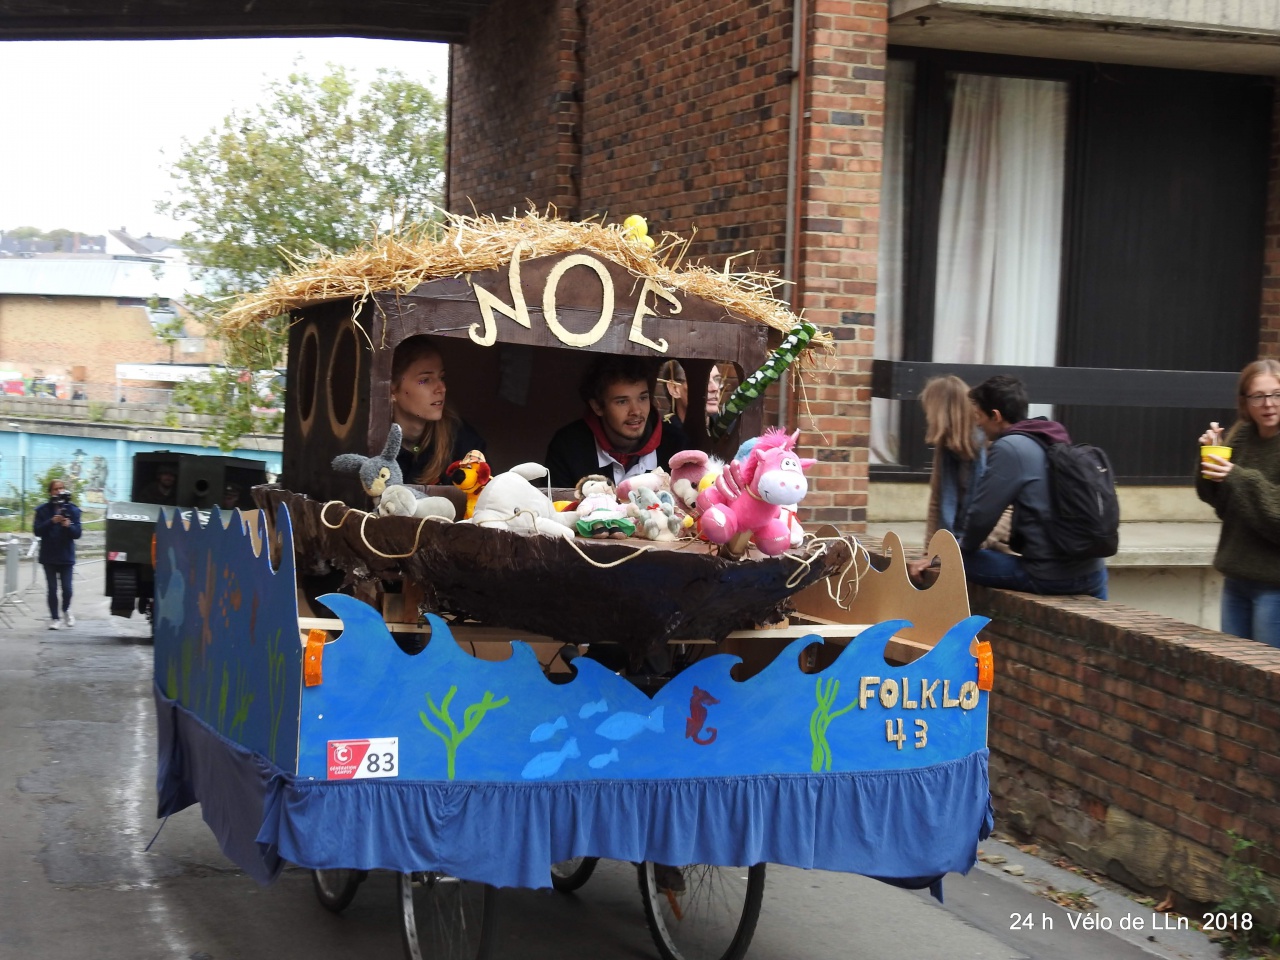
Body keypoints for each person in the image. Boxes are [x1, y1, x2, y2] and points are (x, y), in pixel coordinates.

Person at [958, 375, 1107, 599]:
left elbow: (981, 516)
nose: (978, 424)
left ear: (996, 416)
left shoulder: (1009, 447)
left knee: (953, 561)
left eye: (978, 416)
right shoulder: (1049, 436)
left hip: (1050, 576)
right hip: (1094, 571)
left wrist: (961, 550)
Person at [1197, 358, 1280, 647]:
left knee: (1267, 670)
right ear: (1245, 401)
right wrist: (1210, 459)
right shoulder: (1242, 435)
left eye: (1276, 394)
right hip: (1236, 578)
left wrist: (1236, 475)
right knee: (1233, 667)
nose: (1268, 404)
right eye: (1258, 396)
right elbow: (1223, 505)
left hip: (1275, 586)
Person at [907, 375, 1009, 583]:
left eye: (930, 411)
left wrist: (970, 545)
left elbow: (1008, 509)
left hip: (995, 547)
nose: (928, 418)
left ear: (943, 413)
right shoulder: (945, 449)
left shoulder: (993, 444)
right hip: (962, 546)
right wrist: (930, 553)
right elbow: (937, 502)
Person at [545, 354, 691, 489]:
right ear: (597, 407)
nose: (636, 411)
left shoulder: (677, 446)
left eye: (642, 398)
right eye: (622, 401)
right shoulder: (568, 447)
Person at [390, 335, 485, 485]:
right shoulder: (373, 439)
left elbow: (485, 492)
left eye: (441, 377)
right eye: (425, 380)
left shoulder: (460, 439)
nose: (442, 388)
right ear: (392, 389)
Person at [33, 479, 82, 630]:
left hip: (66, 555)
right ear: (50, 492)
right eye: (55, 489)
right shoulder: (43, 510)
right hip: (49, 555)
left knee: (67, 589)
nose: (59, 491)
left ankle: (66, 609)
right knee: (52, 589)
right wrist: (51, 521)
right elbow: (37, 531)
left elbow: (77, 533)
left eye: (61, 488)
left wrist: (68, 526)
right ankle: (55, 618)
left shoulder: (72, 509)